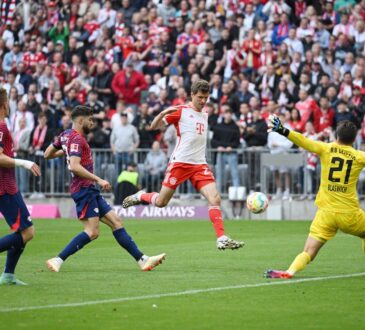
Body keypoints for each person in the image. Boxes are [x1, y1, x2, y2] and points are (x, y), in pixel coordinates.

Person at [122, 80, 244, 250]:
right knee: (161, 202)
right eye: (200, 97)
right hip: (180, 163)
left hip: (199, 164)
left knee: (215, 198)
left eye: (206, 98)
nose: (203, 101)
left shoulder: (205, 113)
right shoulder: (180, 111)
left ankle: (221, 237)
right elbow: (153, 126)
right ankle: (141, 196)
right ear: (192, 95)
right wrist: (163, 112)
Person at [43, 105, 166, 272]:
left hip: (89, 189)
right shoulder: (78, 139)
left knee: (116, 222)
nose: (92, 123)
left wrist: (66, 152)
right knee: (92, 232)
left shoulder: (65, 135)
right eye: (90, 119)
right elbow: (74, 166)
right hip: (83, 188)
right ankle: (58, 259)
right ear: (80, 120)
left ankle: (142, 259)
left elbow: (47, 154)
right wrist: (99, 179)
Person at [265, 115, 365, 279]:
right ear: (354, 139)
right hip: (350, 214)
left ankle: (290, 271)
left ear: (337, 135)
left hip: (325, 214)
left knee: (308, 251)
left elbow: (303, 140)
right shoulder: (359, 156)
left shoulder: (326, 149)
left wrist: (282, 130)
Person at [0, 88, 41, 285]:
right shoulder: (1, 126)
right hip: (4, 187)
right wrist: (24, 163)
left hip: (7, 185)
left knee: (20, 231)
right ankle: (7, 274)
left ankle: (8, 274)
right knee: (28, 232)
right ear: (4, 104)